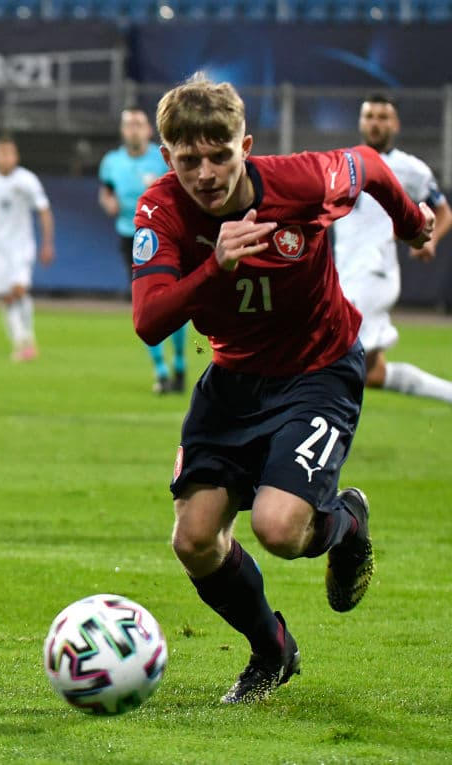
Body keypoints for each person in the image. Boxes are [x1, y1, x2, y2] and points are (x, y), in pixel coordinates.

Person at [132, 73, 433, 704]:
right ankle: (272, 651)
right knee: (194, 540)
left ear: (246, 146)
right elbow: (149, 320)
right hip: (234, 381)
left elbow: (370, 165)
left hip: (318, 371)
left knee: (278, 528)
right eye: (188, 161)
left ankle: (347, 523)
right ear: (166, 157)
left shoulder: (302, 181)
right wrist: (216, 267)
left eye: (220, 155)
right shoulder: (161, 208)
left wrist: (410, 224)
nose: (206, 174)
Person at [332, 93, 452, 404]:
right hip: (344, 275)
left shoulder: (410, 169)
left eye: (382, 117)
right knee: (371, 373)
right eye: (369, 116)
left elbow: (444, 212)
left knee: (336, 364)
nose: (375, 123)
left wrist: (430, 241)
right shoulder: (344, 161)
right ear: (361, 122)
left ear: (395, 124)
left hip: (374, 275)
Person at [98, 107, 186, 394]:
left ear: (149, 130)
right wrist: (108, 202)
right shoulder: (111, 162)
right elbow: (106, 191)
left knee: (176, 301)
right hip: (132, 236)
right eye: (128, 124)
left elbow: (184, 188)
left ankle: (180, 363)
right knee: (146, 306)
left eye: (138, 124)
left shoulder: (162, 159)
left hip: (166, 235)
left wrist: (162, 190)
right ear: (123, 131)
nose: (133, 129)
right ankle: (161, 371)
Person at [0, 135, 54, 361]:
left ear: (16, 156)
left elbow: (44, 211)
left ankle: (27, 339)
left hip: (21, 246)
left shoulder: (27, 180)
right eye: (1, 153)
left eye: (9, 153)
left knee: (19, 289)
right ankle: (21, 342)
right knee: (4, 296)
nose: (5, 158)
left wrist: (47, 243)